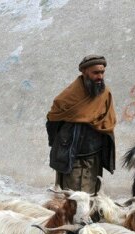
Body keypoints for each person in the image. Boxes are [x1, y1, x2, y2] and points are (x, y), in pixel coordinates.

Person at [46, 54, 117, 193]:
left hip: (94, 154)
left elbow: (108, 120)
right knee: (71, 197)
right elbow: (53, 118)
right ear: (84, 72)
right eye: (96, 72)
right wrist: (59, 145)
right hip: (71, 155)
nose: (100, 76)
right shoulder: (69, 96)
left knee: (91, 195)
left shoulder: (105, 93)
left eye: (102, 72)